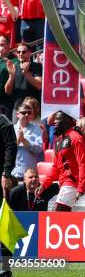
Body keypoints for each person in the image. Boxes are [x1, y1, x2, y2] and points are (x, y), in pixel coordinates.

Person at [35, 111, 85, 212]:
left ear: (67, 121)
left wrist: (81, 188)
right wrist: (44, 185)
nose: (55, 121)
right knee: (64, 219)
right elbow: (56, 167)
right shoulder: (60, 140)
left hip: (72, 184)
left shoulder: (76, 138)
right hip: (63, 183)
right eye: (55, 119)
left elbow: (82, 163)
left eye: (58, 119)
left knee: (55, 215)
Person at [0, 109, 16, 277]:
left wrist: (6, 173)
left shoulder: (3, 121)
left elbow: (11, 146)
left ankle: (5, 267)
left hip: (0, 178)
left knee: (3, 224)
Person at [4, 42, 42, 111]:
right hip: (18, 107)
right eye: (18, 52)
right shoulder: (13, 66)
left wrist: (26, 75)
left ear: (29, 53)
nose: (20, 54)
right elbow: (7, 91)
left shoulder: (36, 66)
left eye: (23, 52)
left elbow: (40, 86)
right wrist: (11, 75)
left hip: (33, 108)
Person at [11, 102, 42, 180]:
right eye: (24, 113)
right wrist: (18, 140)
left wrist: (24, 141)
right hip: (13, 173)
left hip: (30, 175)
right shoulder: (10, 129)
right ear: (17, 114)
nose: (26, 115)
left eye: (29, 112)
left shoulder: (36, 129)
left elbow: (39, 149)